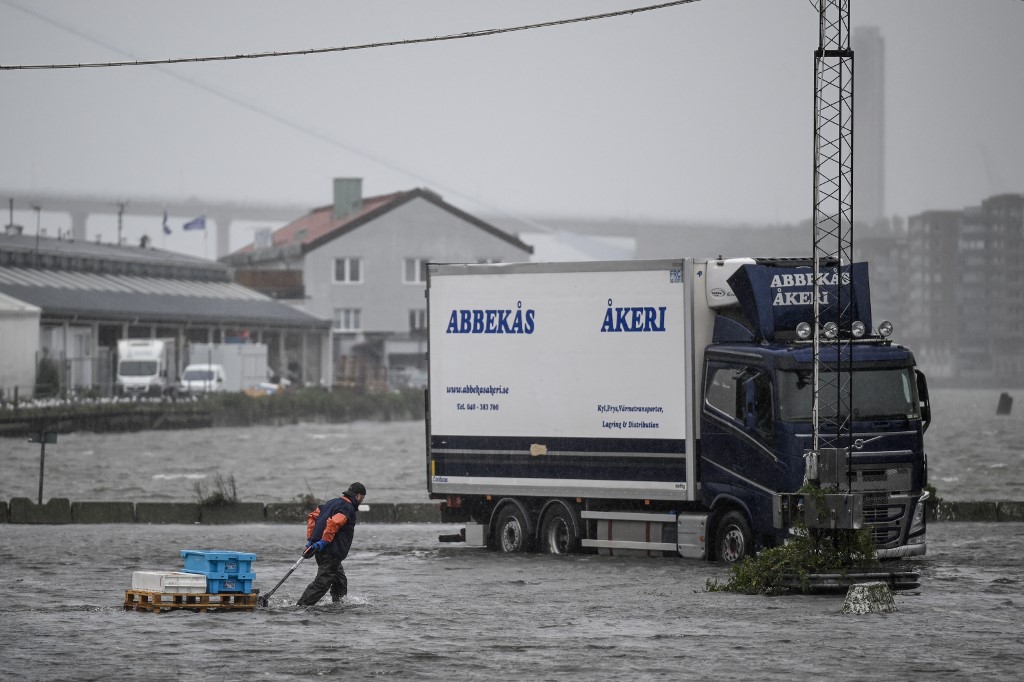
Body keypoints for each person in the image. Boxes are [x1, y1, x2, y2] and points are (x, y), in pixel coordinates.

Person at [296, 482, 366, 605]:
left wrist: (312, 539)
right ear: (359, 496)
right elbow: (334, 523)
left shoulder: (330, 503)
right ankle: (301, 606)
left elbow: (313, 517)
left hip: (323, 550)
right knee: (322, 583)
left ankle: (338, 605)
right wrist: (324, 541)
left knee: (340, 581)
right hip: (330, 552)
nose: (362, 500)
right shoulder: (347, 508)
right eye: (363, 498)